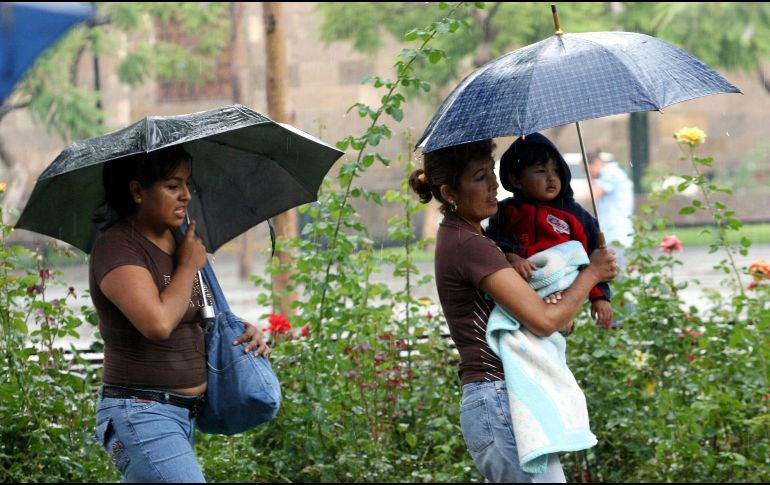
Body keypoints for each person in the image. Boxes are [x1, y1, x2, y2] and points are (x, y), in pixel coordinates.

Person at [409, 139, 616, 483]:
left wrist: (561, 308)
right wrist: (592, 273)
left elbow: (540, 319)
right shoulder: (470, 245)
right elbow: (545, 321)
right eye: (479, 177)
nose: (493, 184)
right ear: (449, 193)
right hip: (499, 399)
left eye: (491, 173)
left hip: (506, 400)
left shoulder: (479, 239)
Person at [90, 146, 269, 482]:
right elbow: (157, 323)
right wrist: (188, 264)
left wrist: (242, 330)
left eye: (187, 183)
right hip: (140, 412)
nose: (186, 195)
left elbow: (200, 314)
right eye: (173, 186)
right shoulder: (117, 247)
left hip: (181, 416)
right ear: (137, 191)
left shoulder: (179, 241)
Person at [487, 133, 612, 328]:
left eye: (556, 170)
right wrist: (512, 257)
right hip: (522, 289)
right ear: (516, 179)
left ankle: (561, 319)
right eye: (541, 170)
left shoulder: (574, 215)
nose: (551, 177)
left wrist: (600, 297)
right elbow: (495, 239)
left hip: (564, 288)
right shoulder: (508, 211)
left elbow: (594, 256)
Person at [586, 150, 634, 268]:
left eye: (586, 169)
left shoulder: (610, 173)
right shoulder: (610, 174)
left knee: (616, 274)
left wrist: (590, 179)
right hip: (614, 233)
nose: (587, 173)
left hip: (616, 234)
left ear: (596, 163)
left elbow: (591, 195)